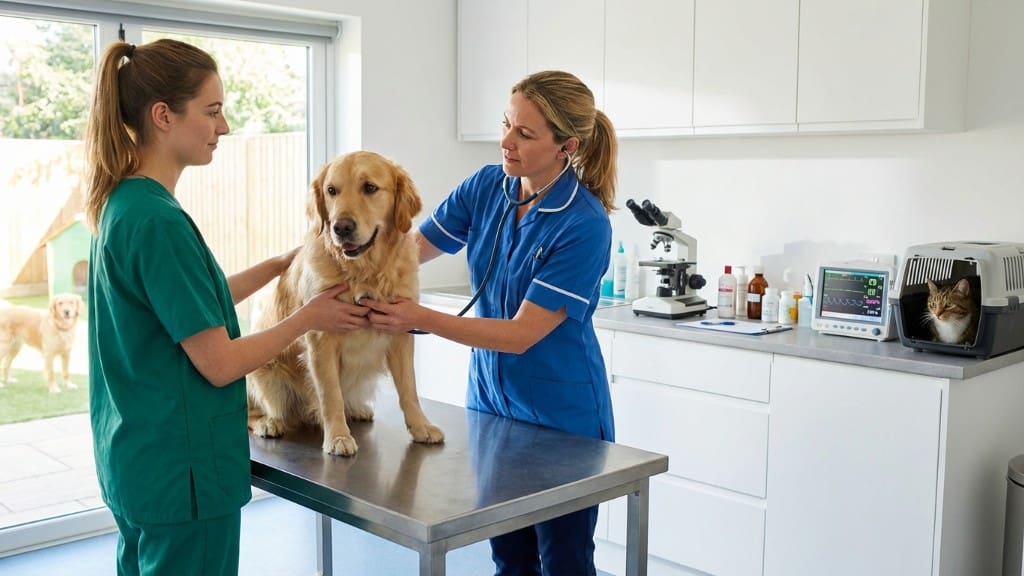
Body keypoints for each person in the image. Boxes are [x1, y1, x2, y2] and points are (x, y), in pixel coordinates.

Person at [84, 39, 371, 576]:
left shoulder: (125, 204)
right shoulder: (159, 223)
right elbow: (218, 361)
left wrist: (280, 266)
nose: (224, 126)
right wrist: (308, 316)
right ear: (163, 116)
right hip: (182, 473)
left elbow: (190, 310)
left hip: (136, 459)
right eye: (212, 111)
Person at [363, 70, 617, 576]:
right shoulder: (486, 186)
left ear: (566, 145)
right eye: (507, 124)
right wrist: (354, 265)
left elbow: (521, 335)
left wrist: (417, 317)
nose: (506, 142)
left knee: (564, 561)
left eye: (525, 134)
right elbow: (410, 251)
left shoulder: (584, 224)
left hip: (562, 421)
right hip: (492, 409)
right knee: (509, 558)